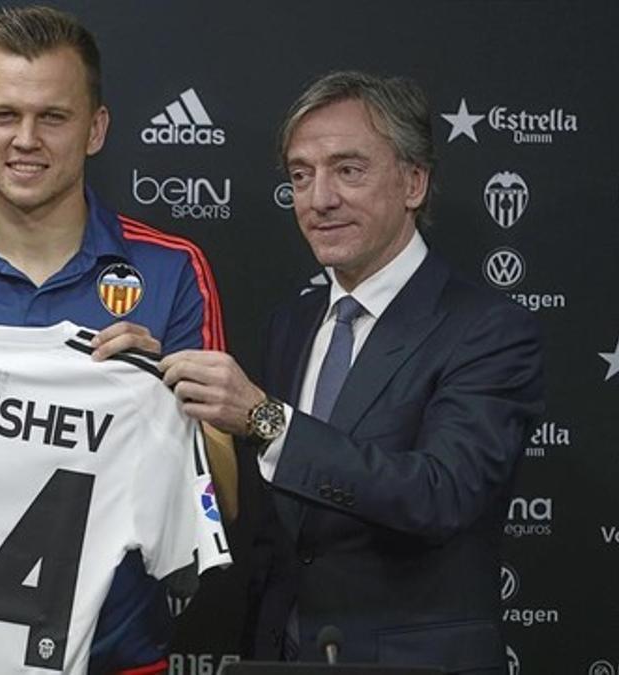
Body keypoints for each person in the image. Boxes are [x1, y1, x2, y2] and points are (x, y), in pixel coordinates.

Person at [0, 6, 228, 674]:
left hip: (116, 652)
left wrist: (167, 395)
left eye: (53, 117)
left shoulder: (173, 270)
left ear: (96, 129)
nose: (26, 138)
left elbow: (220, 499)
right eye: (5, 115)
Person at [161, 71, 544, 672]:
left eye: (348, 169)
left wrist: (264, 418)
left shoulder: (489, 330)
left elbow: (439, 495)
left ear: (414, 182)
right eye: (300, 175)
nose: (319, 199)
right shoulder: (293, 323)